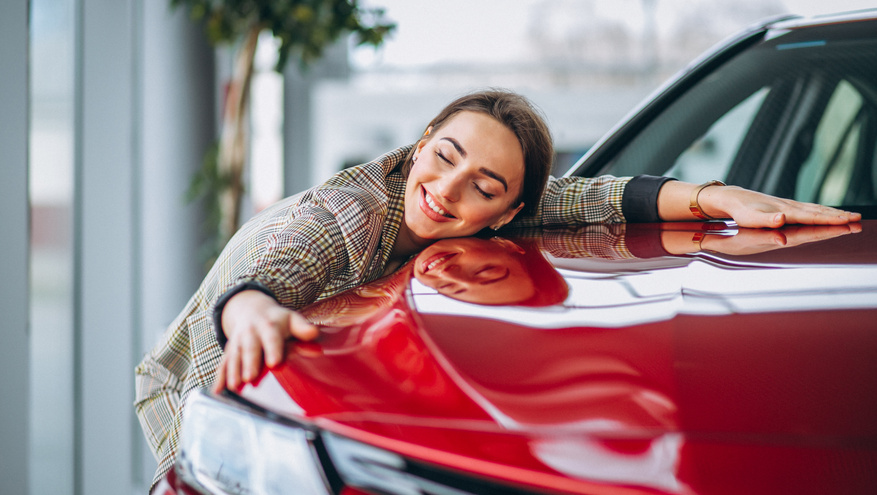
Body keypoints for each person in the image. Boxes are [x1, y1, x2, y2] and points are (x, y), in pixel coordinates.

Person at [134, 89, 860, 489]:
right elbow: (282, 263)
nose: (447, 190)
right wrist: (253, 307)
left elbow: (592, 199)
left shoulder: (513, 209)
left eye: (483, 185)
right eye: (442, 156)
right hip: (201, 375)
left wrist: (714, 196)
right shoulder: (345, 214)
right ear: (421, 142)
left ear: (511, 210)